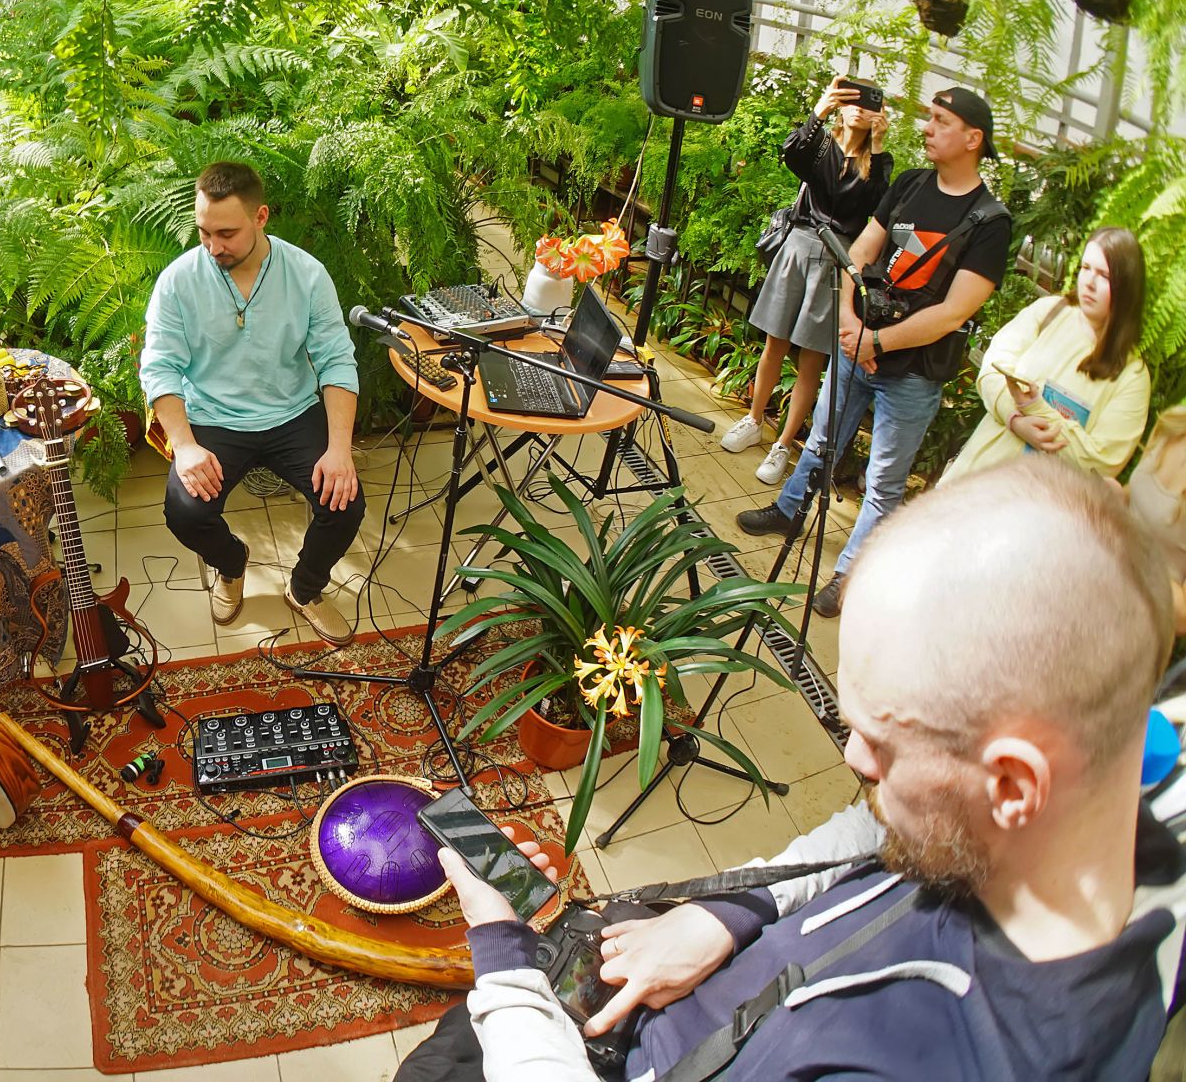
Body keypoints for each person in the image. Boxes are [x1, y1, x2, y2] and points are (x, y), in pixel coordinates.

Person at [400, 458, 1181, 1081]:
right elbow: (872, 834)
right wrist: (733, 913)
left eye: (881, 743)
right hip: (669, 990)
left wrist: (501, 955)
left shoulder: (952, 1056)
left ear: (1012, 785)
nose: (853, 760)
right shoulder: (1069, 808)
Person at [737, 87, 1013, 618]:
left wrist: (877, 342)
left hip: (912, 372)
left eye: (941, 121)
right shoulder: (911, 185)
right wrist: (849, 324)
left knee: (884, 482)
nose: (927, 128)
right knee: (821, 440)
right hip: (857, 343)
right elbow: (860, 251)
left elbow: (953, 312)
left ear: (973, 138)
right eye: (930, 118)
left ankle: (850, 574)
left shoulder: (989, 222)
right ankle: (789, 511)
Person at [140, 162, 363, 645]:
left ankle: (304, 590)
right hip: (212, 416)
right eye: (204, 232)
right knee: (185, 512)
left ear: (261, 217)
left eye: (226, 233)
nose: (213, 246)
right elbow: (159, 368)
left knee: (345, 503)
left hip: (292, 411)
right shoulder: (178, 281)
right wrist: (185, 446)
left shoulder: (306, 274)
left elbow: (337, 362)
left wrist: (339, 449)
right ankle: (232, 563)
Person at [721, 76, 892, 484]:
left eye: (868, 104)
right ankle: (753, 420)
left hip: (838, 259)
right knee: (774, 345)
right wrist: (821, 108)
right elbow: (792, 153)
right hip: (798, 247)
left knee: (811, 360)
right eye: (851, 99)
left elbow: (879, 204)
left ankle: (783, 444)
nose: (858, 108)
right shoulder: (822, 146)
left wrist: (879, 146)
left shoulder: (875, 163)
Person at [943, 226, 1150, 483]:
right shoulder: (1050, 311)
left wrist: (1036, 409)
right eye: (1086, 268)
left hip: (1035, 502)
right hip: (969, 482)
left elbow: (1100, 464)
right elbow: (992, 371)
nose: (1090, 283)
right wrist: (1015, 419)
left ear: (1126, 286)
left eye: (1104, 275)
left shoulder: (1132, 376)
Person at [1127, 402, 1186, 637]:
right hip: (1097, 578)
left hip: (1140, 626)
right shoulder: (1173, 423)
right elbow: (1137, 496)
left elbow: (1182, 618)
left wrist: (1129, 554)